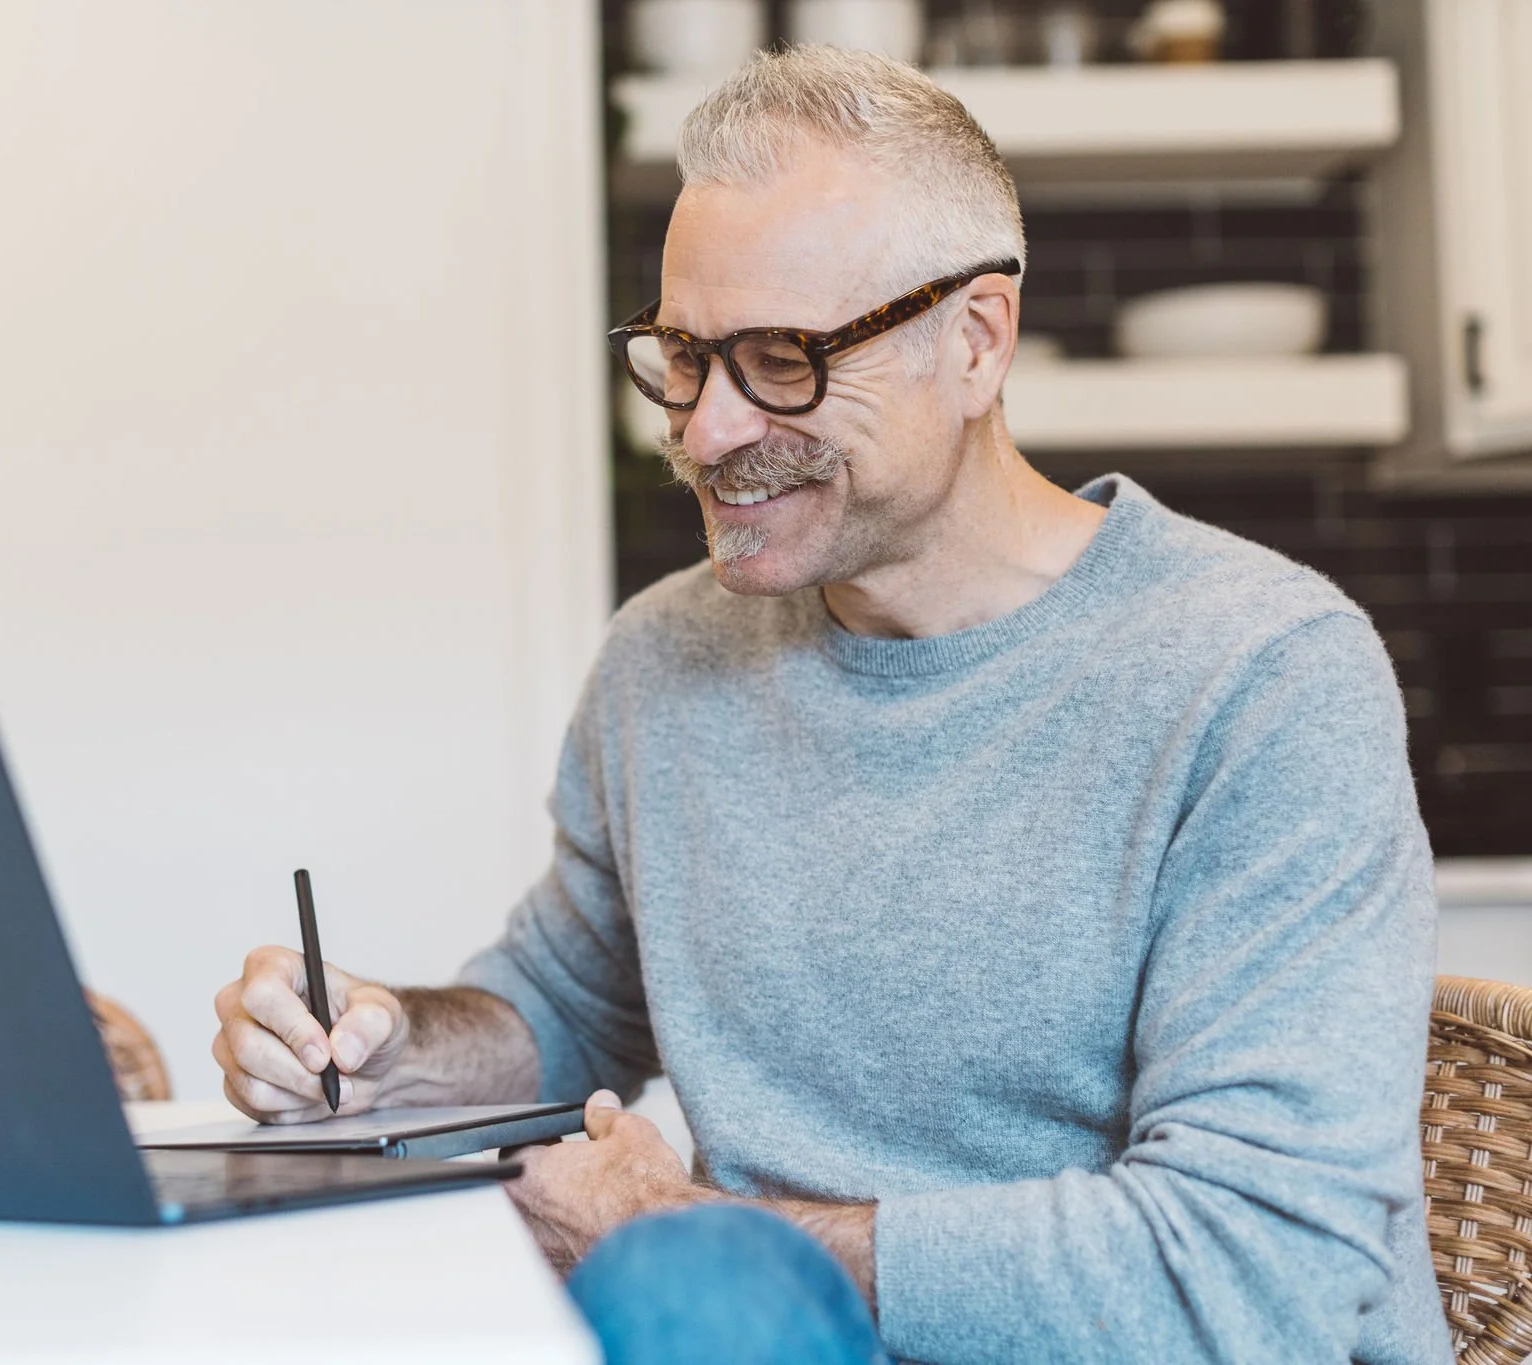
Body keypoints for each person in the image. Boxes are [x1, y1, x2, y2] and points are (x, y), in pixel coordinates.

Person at [210, 45, 1451, 1365]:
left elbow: (1257, 1275)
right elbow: (564, 1007)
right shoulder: (668, 657)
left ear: (973, 342)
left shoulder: (1260, 674)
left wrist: (694, 1231)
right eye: (683, 357)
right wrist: (380, 1049)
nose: (704, 430)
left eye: (782, 359)